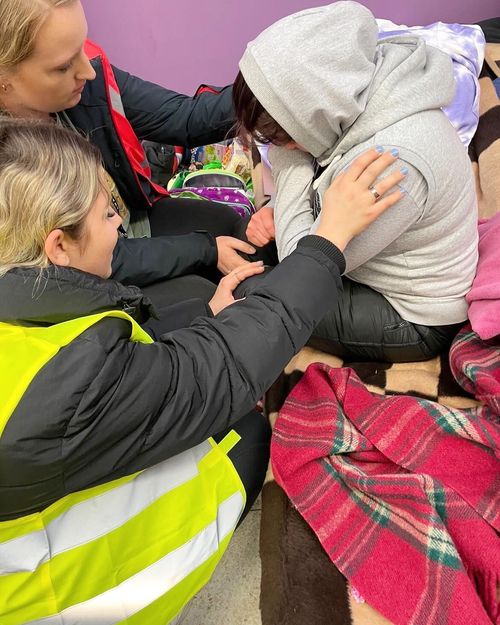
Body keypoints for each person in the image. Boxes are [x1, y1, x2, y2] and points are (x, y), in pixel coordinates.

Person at [0, 119, 404, 624]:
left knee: (194, 305)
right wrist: (328, 239)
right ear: (58, 246)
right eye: (106, 214)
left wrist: (207, 317)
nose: (119, 226)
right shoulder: (62, 387)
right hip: (46, 595)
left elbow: (113, 357)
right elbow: (224, 367)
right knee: (248, 436)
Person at [233, 1, 479, 362]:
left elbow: (305, 266)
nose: (279, 149)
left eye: (282, 139)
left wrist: (288, 163)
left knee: (247, 289)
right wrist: (280, 206)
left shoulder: (395, 161)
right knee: (242, 244)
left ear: (316, 113)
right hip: (365, 262)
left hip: (412, 314)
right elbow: (325, 197)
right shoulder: (363, 101)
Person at [0, 0, 275, 316]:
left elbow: (185, 117)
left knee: (232, 229)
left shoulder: (90, 82)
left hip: (127, 227)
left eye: (83, 48)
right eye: (63, 66)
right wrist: (204, 250)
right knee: (199, 296)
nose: (88, 71)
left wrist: (269, 88)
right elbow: (87, 259)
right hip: (83, 277)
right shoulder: (11, 163)